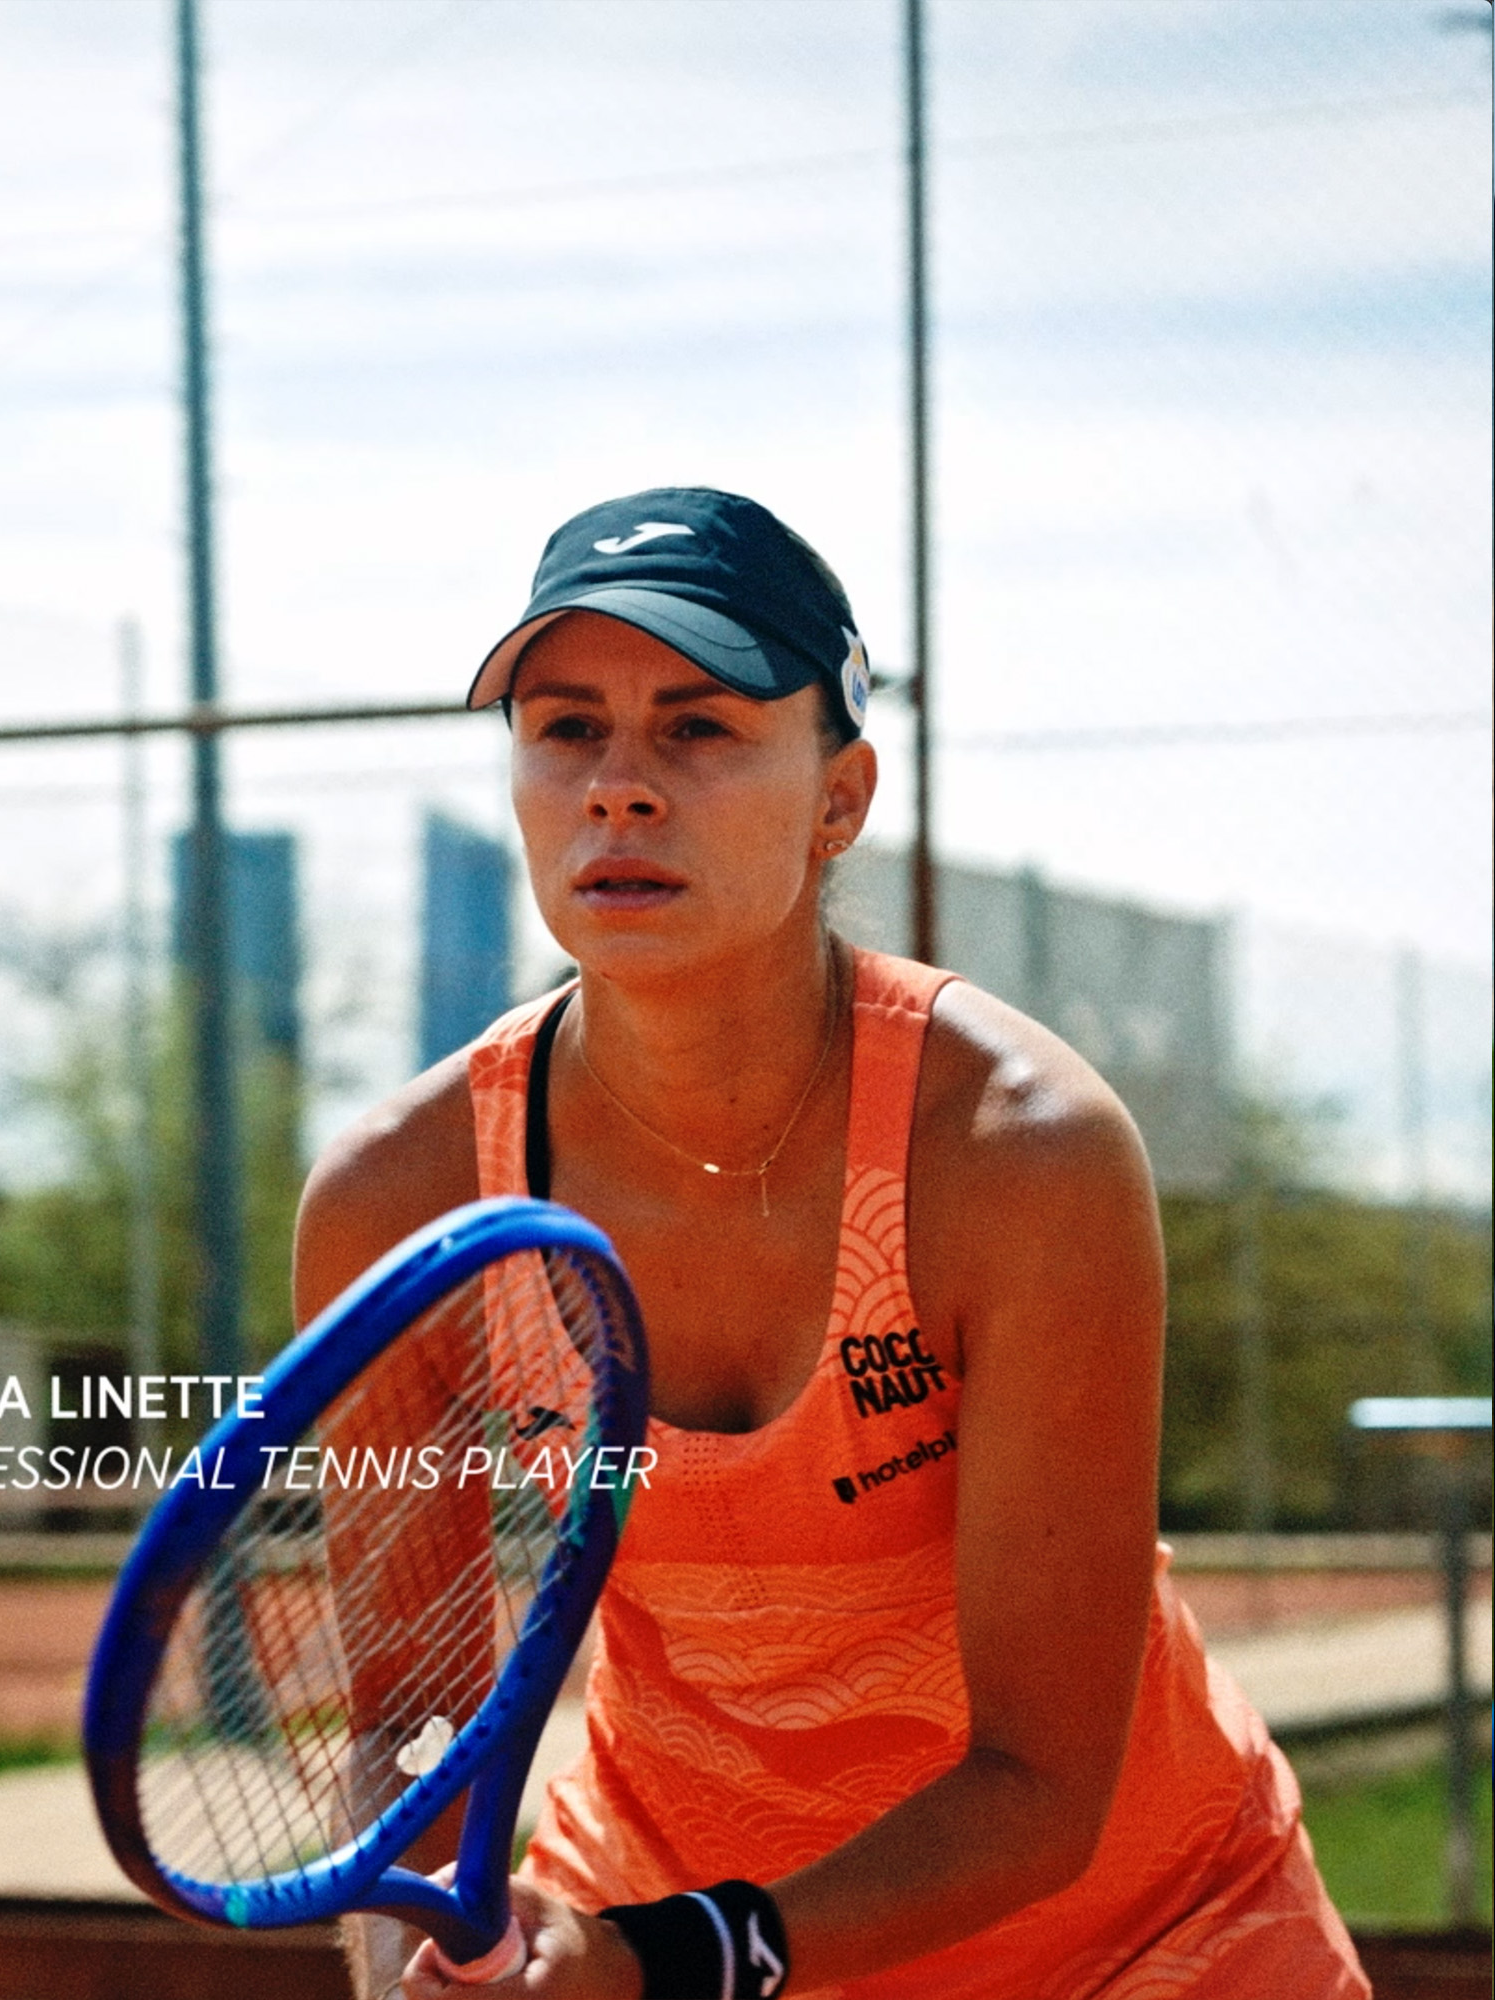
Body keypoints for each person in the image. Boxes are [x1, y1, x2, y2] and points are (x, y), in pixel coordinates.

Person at [295, 487, 1369, 1999]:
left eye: (700, 728)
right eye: (566, 729)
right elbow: (410, 1722)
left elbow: (1041, 1785)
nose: (619, 788)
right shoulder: (400, 1202)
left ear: (840, 798)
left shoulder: (1020, 1152)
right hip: (657, 1919)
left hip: (1147, 1940)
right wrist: (413, 1953)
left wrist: (666, 1962)